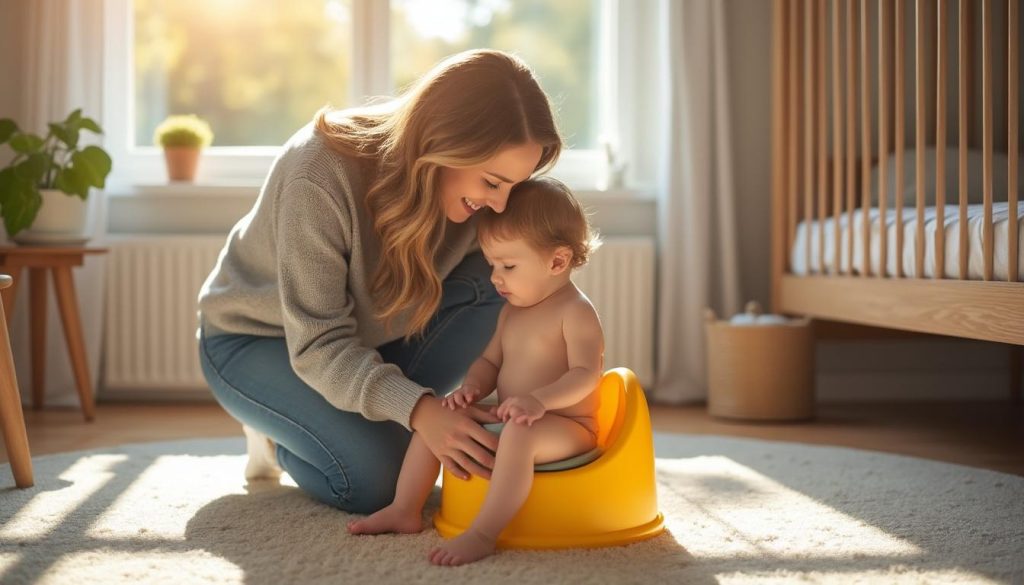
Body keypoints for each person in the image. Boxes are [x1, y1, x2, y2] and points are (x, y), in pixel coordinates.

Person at [196, 49, 562, 515]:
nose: (500, 204)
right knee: (379, 481)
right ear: (442, 144)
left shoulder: (483, 197)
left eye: (515, 183)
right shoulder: (319, 172)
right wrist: (421, 411)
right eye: (492, 182)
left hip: (373, 338)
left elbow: (540, 287)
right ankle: (279, 436)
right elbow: (319, 344)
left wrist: (545, 398)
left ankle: (372, 412)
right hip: (259, 340)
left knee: (509, 276)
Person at [347, 177, 605, 567]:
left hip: (567, 426)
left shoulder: (576, 313)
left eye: (508, 265)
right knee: (442, 414)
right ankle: (405, 508)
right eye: (491, 265)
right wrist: (471, 387)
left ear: (557, 261)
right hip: (515, 415)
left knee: (520, 432)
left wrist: (539, 402)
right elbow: (489, 362)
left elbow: (586, 375)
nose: (495, 277)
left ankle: (484, 533)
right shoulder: (512, 310)